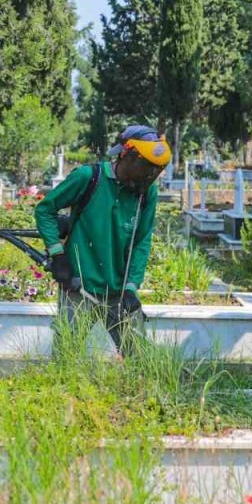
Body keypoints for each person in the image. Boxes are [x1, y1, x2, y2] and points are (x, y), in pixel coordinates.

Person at [34, 125, 170, 354]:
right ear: (126, 154)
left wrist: (131, 287)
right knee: (65, 356)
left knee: (140, 357)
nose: (150, 175)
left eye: (157, 170)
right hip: (79, 287)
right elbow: (45, 210)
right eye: (147, 167)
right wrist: (58, 255)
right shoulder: (89, 178)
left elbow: (141, 240)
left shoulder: (146, 193)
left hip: (120, 292)